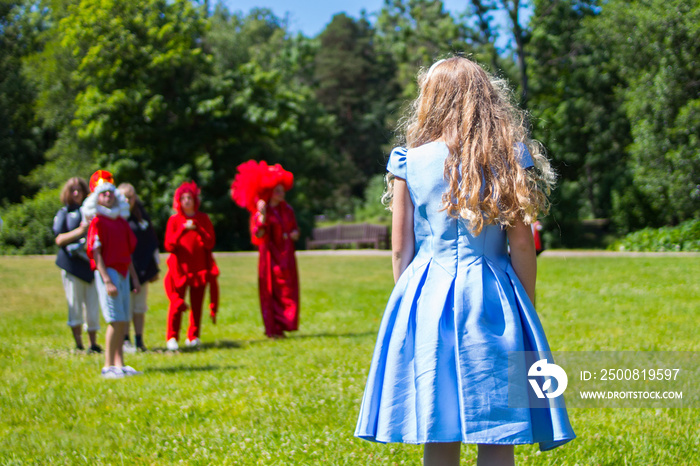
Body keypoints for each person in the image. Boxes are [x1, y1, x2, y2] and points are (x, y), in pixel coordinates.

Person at [354, 57, 575, 465]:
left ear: (430, 100)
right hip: (493, 294)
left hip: (427, 296)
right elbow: (522, 245)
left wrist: (408, 304)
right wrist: (525, 303)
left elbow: (401, 248)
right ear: (487, 98)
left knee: (438, 426)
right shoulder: (509, 155)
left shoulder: (408, 161)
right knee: (499, 428)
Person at [231, 161, 300, 339]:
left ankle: (285, 324)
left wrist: (293, 234)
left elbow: (295, 229)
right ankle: (273, 327)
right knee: (271, 289)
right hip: (270, 256)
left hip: (286, 255)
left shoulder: (288, 210)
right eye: (277, 190)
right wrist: (261, 216)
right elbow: (258, 234)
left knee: (287, 290)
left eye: (282, 189)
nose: (281, 193)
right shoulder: (263, 211)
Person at [83, 170, 141, 378]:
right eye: (103, 194)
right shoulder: (97, 222)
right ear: (96, 197)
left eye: (110, 193)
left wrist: (134, 277)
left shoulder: (120, 222)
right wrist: (107, 279)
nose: (108, 197)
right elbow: (96, 252)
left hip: (124, 272)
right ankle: (108, 365)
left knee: (123, 319)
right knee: (114, 319)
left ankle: (120, 364)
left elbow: (128, 253)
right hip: (110, 273)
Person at [163, 181, 219, 351]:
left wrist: (198, 229)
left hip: (199, 268)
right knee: (177, 302)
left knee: (197, 304)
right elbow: (169, 245)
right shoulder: (174, 220)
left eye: (190, 198)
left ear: (195, 200)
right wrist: (182, 230)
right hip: (180, 269)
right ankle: (172, 336)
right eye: (183, 198)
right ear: (179, 201)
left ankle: (193, 336)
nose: (187, 201)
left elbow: (210, 242)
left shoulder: (203, 219)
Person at [52, 177, 102, 353]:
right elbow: (59, 239)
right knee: (75, 304)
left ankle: (93, 344)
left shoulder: (92, 211)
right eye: (72, 190)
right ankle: (79, 344)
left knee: (93, 306)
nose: (76, 193)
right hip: (72, 266)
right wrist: (80, 231)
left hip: (91, 266)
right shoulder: (64, 213)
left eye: (79, 190)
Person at [118, 183, 160, 353]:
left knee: (140, 307)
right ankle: (125, 339)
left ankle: (139, 340)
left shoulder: (141, 217)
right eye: (124, 197)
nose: (128, 200)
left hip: (142, 268)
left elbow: (152, 242)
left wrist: (154, 268)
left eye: (131, 197)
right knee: (126, 307)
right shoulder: (117, 217)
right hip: (123, 270)